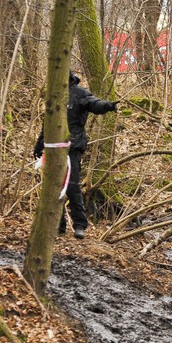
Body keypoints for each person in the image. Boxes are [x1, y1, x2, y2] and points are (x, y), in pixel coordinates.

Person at [33, 70, 118, 239]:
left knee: (71, 186)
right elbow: (47, 123)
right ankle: (58, 225)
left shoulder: (80, 93)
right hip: (53, 149)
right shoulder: (53, 95)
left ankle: (80, 225)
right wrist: (39, 144)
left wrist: (107, 106)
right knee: (53, 187)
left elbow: (93, 103)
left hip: (72, 147)